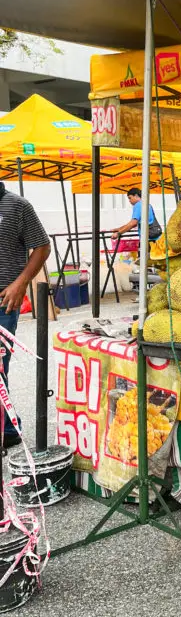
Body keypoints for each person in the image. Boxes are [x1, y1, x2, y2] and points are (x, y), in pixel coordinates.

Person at [0, 182, 51, 447]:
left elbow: (42, 246)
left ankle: (7, 430)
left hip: (3, 301)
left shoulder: (17, 206)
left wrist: (20, 283)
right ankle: (8, 428)